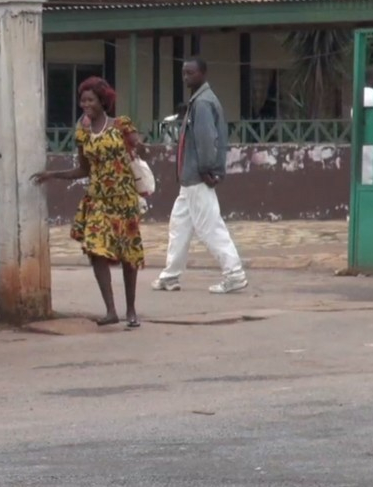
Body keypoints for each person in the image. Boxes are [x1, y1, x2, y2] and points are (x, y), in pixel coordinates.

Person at [32, 77, 144, 328]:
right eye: (82, 101)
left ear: (102, 101)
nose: (85, 105)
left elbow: (138, 144)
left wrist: (139, 145)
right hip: (98, 199)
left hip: (124, 200)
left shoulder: (120, 125)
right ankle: (111, 310)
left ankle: (131, 310)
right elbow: (83, 169)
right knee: (95, 250)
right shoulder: (82, 132)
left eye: (90, 100)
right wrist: (53, 174)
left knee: (128, 254)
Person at [151, 57, 247, 294]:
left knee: (210, 227)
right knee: (179, 226)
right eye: (184, 73)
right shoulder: (199, 100)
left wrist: (206, 169)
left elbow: (207, 139)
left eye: (191, 73)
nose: (186, 77)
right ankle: (170, 276)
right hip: (190, 179)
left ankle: (234, 274)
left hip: (197, 176)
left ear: (203, 74)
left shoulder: (203, 103)